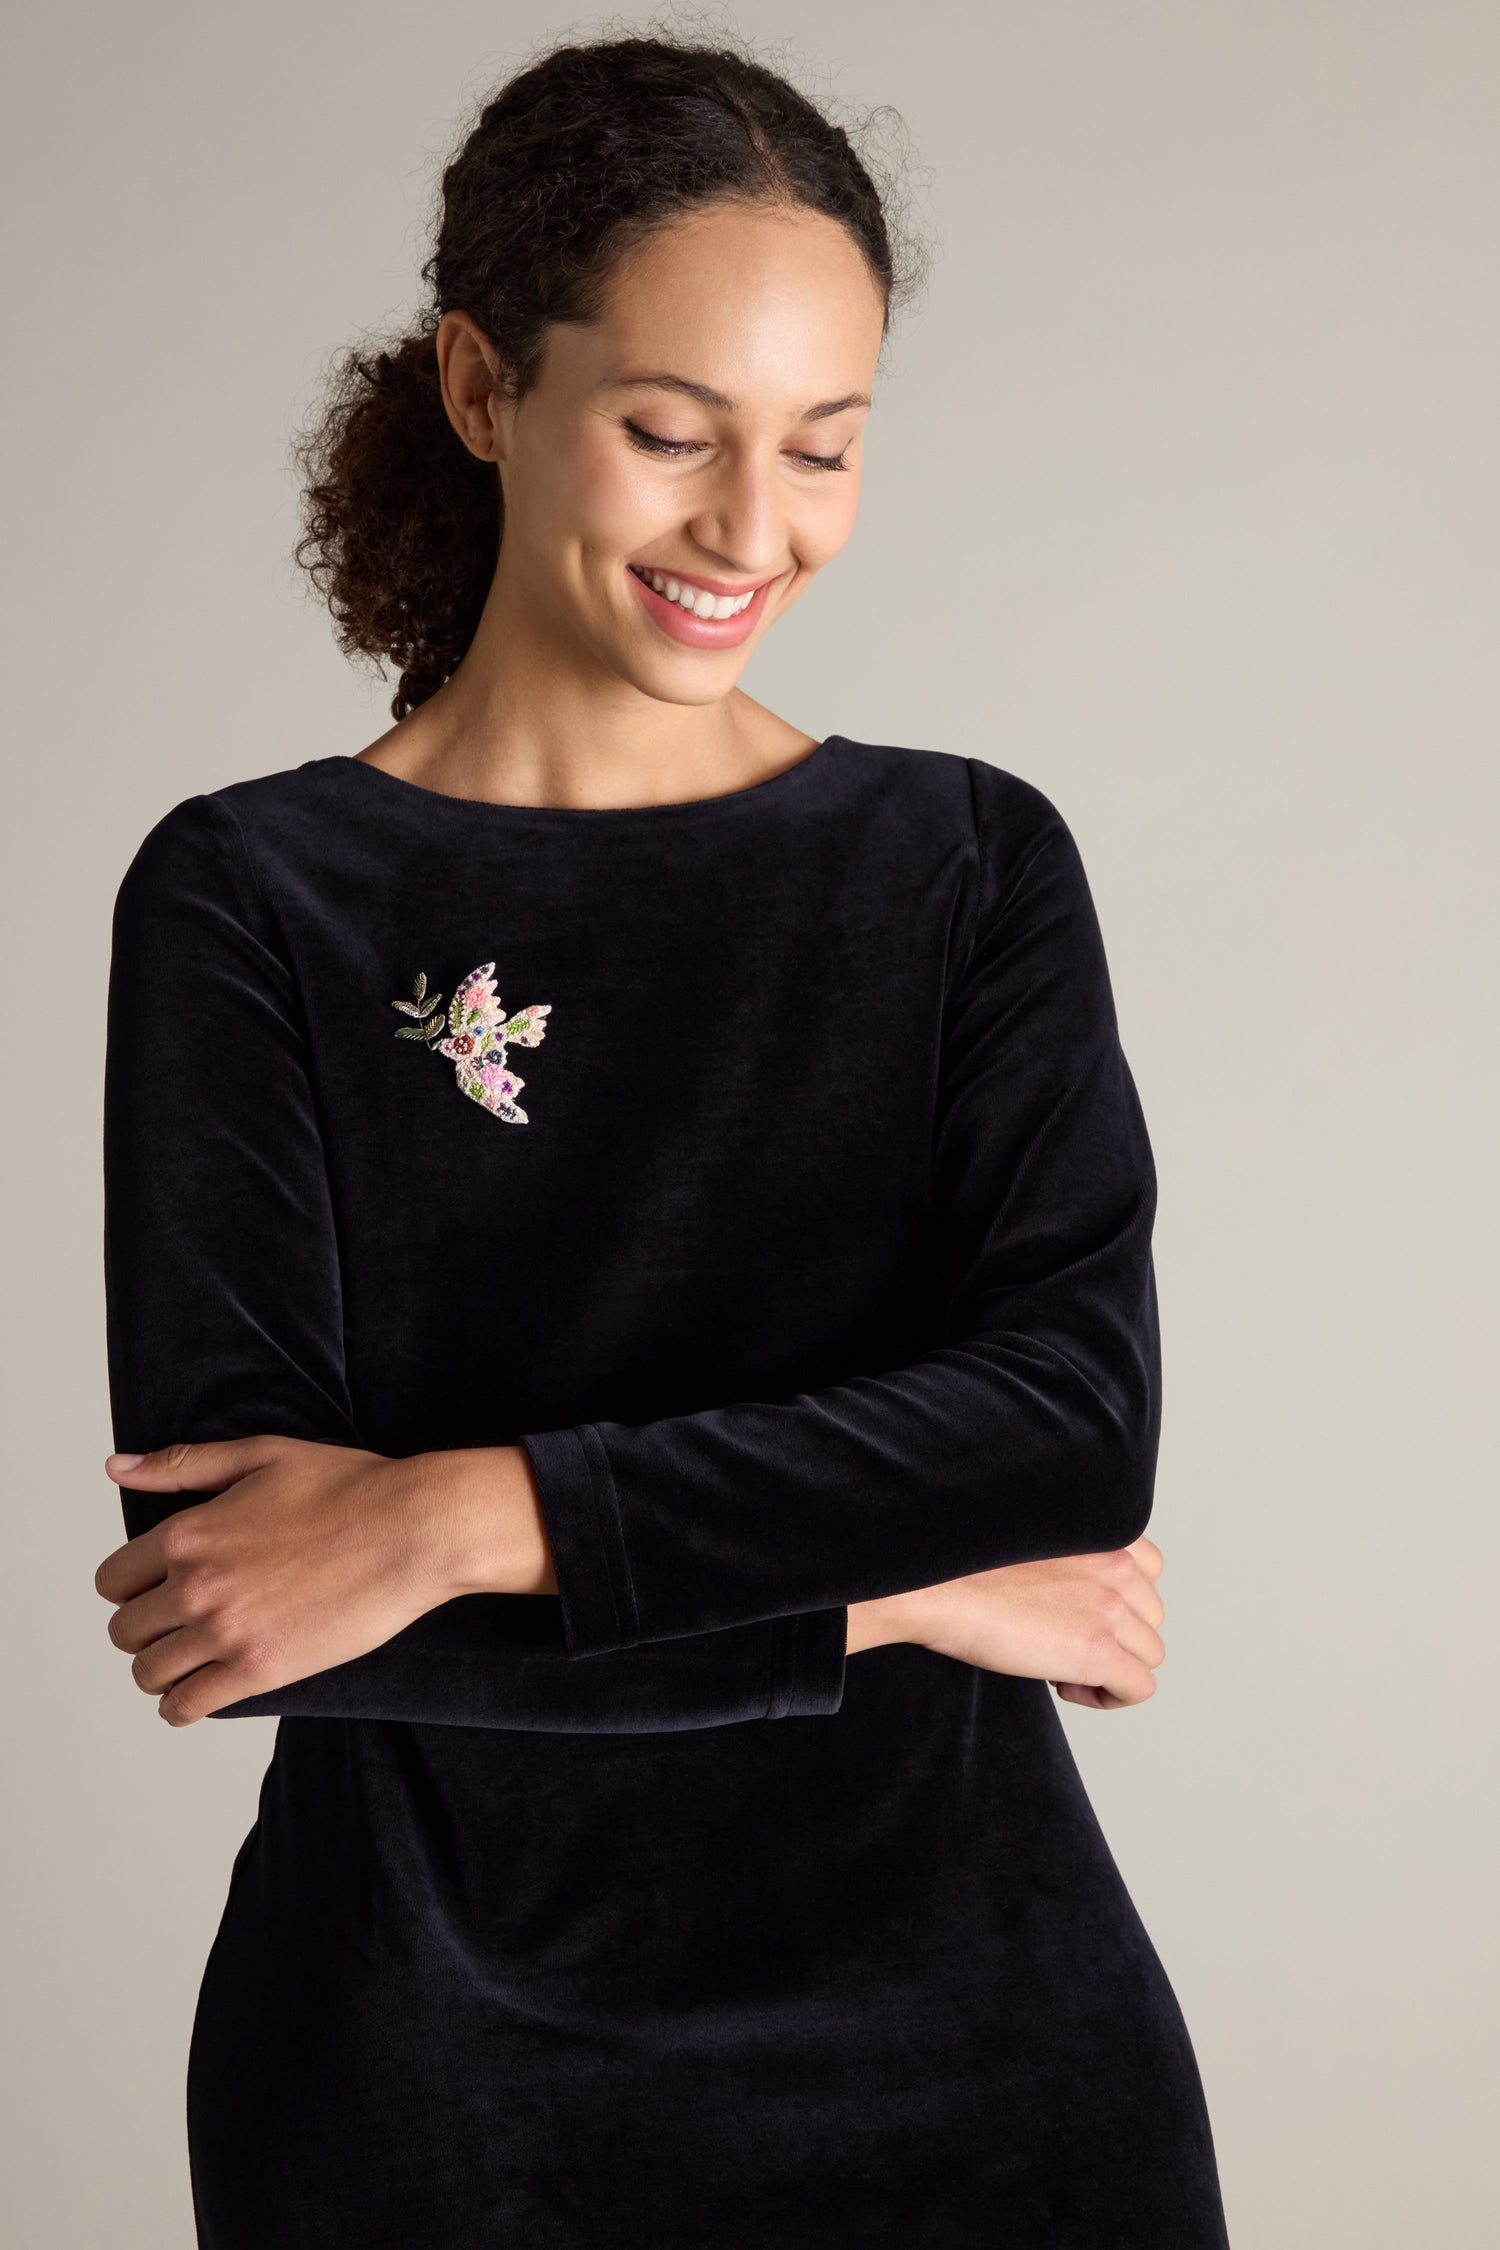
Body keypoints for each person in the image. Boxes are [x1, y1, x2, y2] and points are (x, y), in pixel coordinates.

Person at [95, 32, 1231, 2248]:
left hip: (990, 2055)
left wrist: (462, 1511)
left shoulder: (970, 868)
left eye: (825, 448)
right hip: (433, 2058)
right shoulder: (251, 900)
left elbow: (1072, 1437)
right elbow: (258, 1606)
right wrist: (913, 1587)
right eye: (668, 433)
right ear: (480, 387)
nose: (753, 530)